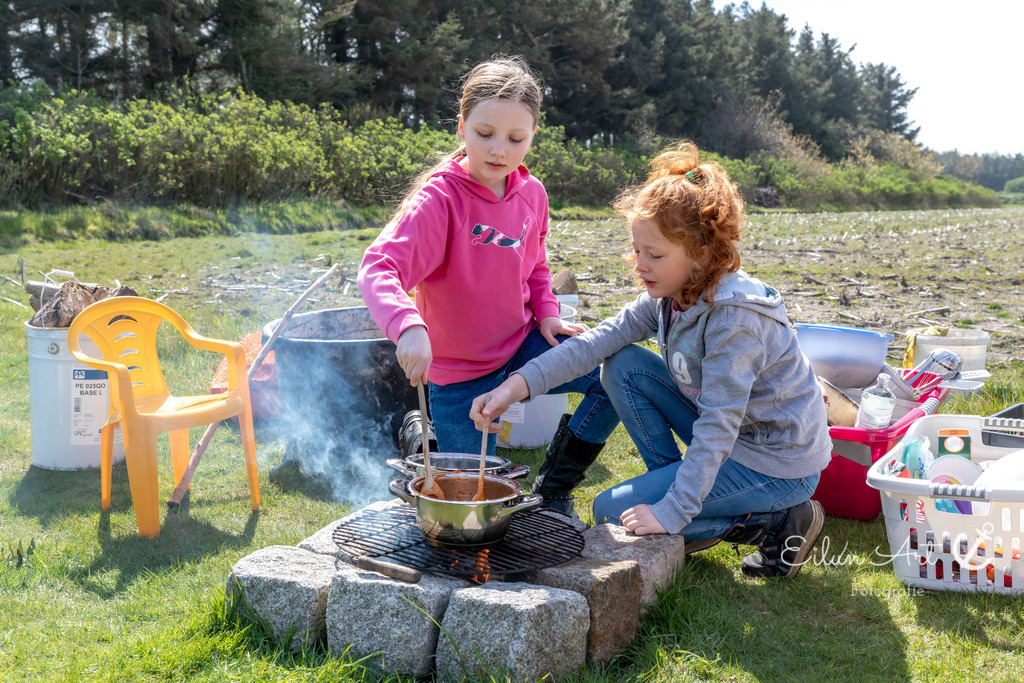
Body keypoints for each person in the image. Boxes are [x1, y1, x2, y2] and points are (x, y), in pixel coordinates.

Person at [470, 140, 832, 578]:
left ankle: (777, 522)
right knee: (620, 364)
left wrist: (672, 511)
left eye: (654, 255)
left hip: (775, 463)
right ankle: (678, 489)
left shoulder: (732, 321)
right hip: (733, 438)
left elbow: (718, 427)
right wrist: (515, 387)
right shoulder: (669, 293)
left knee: (607, 510)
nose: (640, 265)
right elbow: (594, 344)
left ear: (701, 254)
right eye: (636, 250)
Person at [357, 55, 619, 515]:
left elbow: (536, 263)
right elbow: (378, 267)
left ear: (532, 135)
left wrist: (549, 314)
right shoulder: (439, 201)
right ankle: (424, 432)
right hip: (460, 380)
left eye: (516, 138)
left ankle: (555, 489)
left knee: (615, 379)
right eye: (485, 134)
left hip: (524, 348)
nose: (499, 150)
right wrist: (408, 326)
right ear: (461, 128)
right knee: (472, 503)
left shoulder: (532, 193)